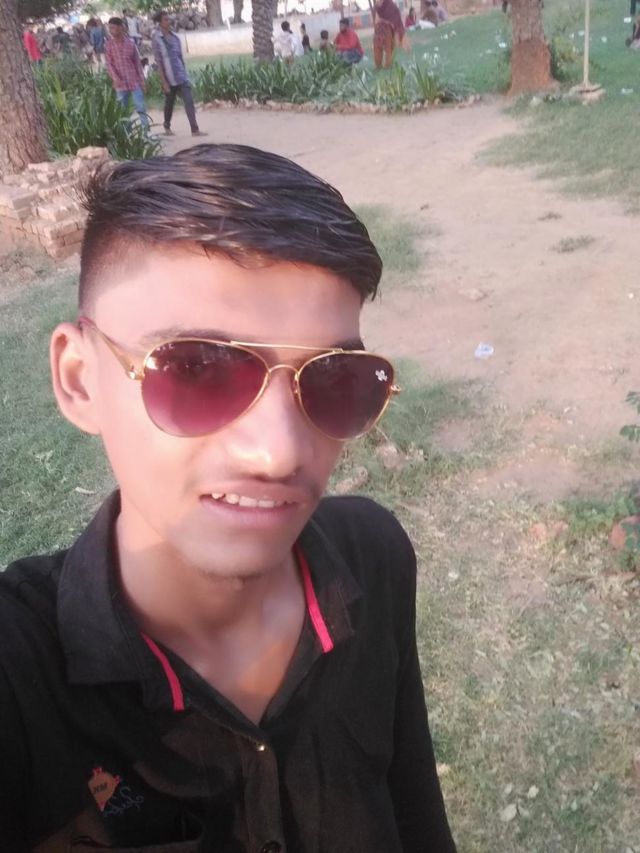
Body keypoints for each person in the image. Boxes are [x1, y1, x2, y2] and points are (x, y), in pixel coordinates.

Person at [0, 143, 457, 852]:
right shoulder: (19, 674)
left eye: (334, 378)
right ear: (80, 379)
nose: (279, 452)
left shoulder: (373, 555)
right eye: (195, 368)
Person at [152, 11, 207, 137]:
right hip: (169, 78)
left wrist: (184, 72)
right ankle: (167, 126)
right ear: (159, 23)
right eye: (165, 20)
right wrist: (164, 81)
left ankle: (195, 129)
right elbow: (159, 61)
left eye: (168, 19)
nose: (168, 21)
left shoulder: (176, 38)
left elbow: (180, 57)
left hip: (181, 75)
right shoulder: (157, 40)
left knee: (189, 101)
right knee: (169, 103)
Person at [105, 17, 149, 130]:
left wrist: (142, 81)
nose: (111, 30)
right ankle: (127, 135)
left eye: (113, 28)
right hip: (120, 84)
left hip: (134, 81)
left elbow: (137, 63)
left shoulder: (130, 43)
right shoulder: (109, 45)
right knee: (123, 112)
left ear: (121, 27)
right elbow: (109, 64)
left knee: (141, 107)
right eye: (110, 28)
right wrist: (115, 78)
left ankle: (146, 133)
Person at [373, 0, 405, 69]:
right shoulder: (378, 5)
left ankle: (388, 64)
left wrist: (384, 21)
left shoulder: (391, 6)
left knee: (389, 47)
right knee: (378, 47)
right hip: (380, 29)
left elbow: (395, 19)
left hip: (388, 29)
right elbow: (377, 19)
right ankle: (379, 64)